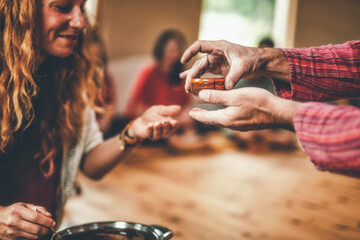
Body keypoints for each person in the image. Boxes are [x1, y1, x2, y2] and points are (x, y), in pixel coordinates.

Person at [0, 1, 181, 239]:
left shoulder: (68, 81)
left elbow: (90, 163)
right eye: (63, 7)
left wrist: (135, 130)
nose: (80, 22)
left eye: (82, 8)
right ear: (22, 12)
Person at [180, 39, 360, 177]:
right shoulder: (242, 81)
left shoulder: (269, 87)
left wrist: (277, 112)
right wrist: (260, 59)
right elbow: (354, 61)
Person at [125, 29, 192, 127]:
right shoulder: (149, 71)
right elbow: (137, 107)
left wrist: (181, 118)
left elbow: (187, 105)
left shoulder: (182, 76)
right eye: (171, 50)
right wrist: (164, 119)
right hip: (150, 122)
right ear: (161, 50)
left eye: (178, 50)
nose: (175, 54)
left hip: (175, 123)